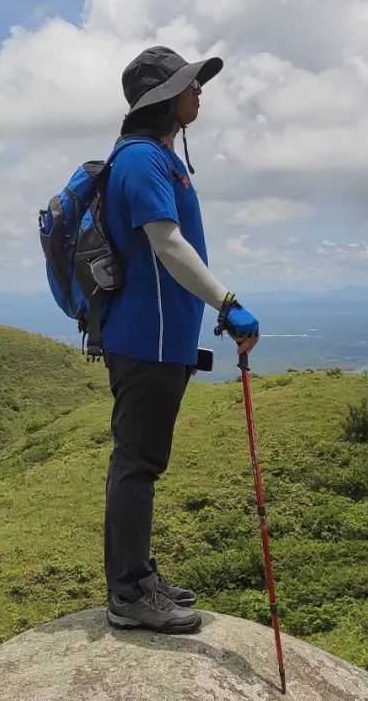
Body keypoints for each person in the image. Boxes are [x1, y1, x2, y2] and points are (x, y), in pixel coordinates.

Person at [100, 46, 260, 634]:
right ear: (163, 98)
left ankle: (139, 576)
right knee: (136, 461)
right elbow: (166, 243)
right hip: (145, 336)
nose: (200, 92)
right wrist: (228, 302)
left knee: (144, 459)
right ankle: (129, 595)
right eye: (190, 85)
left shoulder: (158, 158)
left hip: (159, 338)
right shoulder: (142, 161)